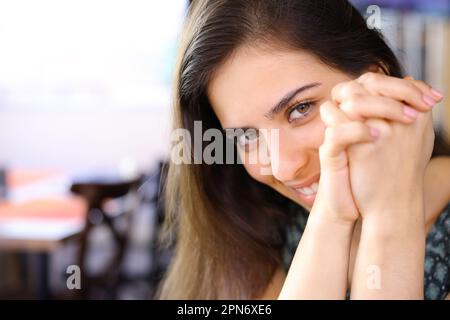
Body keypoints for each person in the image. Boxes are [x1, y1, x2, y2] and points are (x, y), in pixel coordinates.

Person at [158, 0, 450, 299]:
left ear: (377, 80)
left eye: (300, 109)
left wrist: (391, 210)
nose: (284, 168)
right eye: (246, 136)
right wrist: (332, 219)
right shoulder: (260, 225)